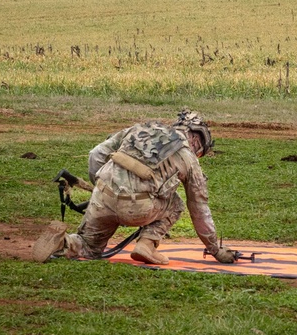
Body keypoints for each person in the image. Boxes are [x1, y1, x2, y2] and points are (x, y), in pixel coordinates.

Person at [32, 109, 238, 265]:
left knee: (89, 247)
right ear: (194, 137)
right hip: (138, 208)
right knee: (176, 205)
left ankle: (63, 243)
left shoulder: (140, 128)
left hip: (103, 198)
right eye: (200, 145)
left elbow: (96, 154)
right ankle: (146, 244)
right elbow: (199, 208)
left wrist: (101, 190)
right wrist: (215, 249)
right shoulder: (188, 156)